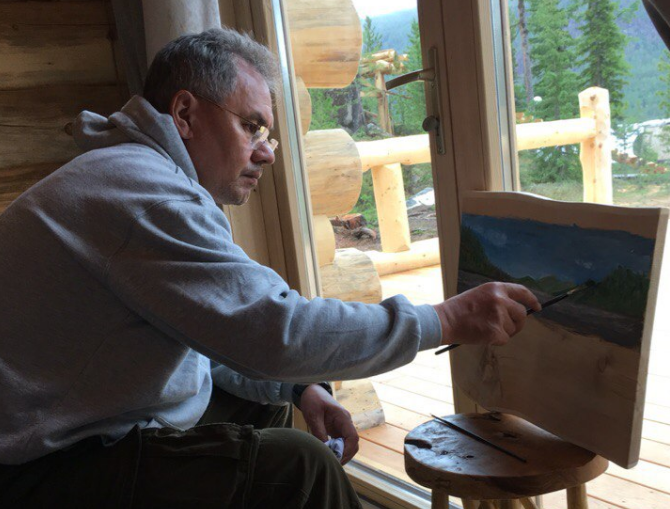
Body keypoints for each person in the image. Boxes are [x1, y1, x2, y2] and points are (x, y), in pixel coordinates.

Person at [0, 27, 540, 508]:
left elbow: (205, 335)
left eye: (268, 134)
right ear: (185, 114)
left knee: (263, 403)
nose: (267, 153)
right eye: (252, 127)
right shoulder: (147, 198)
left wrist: (299, 390)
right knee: (300, 467)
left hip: (65, 422)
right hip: (37, 466)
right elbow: (277, 331)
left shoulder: (130, 175)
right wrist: (445, 320)